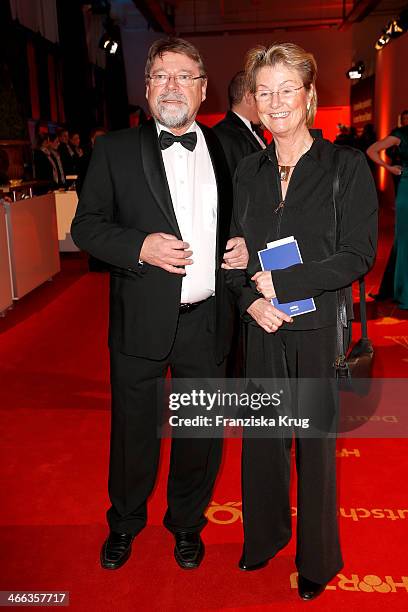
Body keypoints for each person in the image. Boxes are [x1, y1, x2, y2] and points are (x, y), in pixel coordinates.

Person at [71, 37, 248, 572]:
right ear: (147, 88)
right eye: (161, 75)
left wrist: (244, 245)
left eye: (184, 75)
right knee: (132, 435)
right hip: (140, 320)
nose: (172, 85)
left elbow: (244, 223)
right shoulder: (114, 150)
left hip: (208, 320)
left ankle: (187, 524)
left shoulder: (227, 149)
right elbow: (86, 228)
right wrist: (138, 246)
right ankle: (124, 523)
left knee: (200, 436)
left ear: (202, 88)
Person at [225, 42, 377, 600]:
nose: (275, 100)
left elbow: (359, 255)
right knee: (263, 442)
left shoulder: (346, 166)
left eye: (287, 89)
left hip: (317, 331)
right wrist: (249, 298)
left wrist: (284, 284)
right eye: (265, 91)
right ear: (254, 101)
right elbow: (237, 252)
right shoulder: (248, 170)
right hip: (261, 325)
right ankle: (263, 539)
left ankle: (317, 559)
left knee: (314, 447)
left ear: (310, 97)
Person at [367, 115, 408, 308]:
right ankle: (401, 291)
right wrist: (389, 168)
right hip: (406, 189)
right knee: (404, 240)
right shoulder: (400, 134)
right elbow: (372, 150)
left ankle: (395, 288)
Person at [213, 70, 265, 177]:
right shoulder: (223, 135)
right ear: (249, 97)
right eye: (263, 95)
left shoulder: (252, 131)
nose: (269, 102)